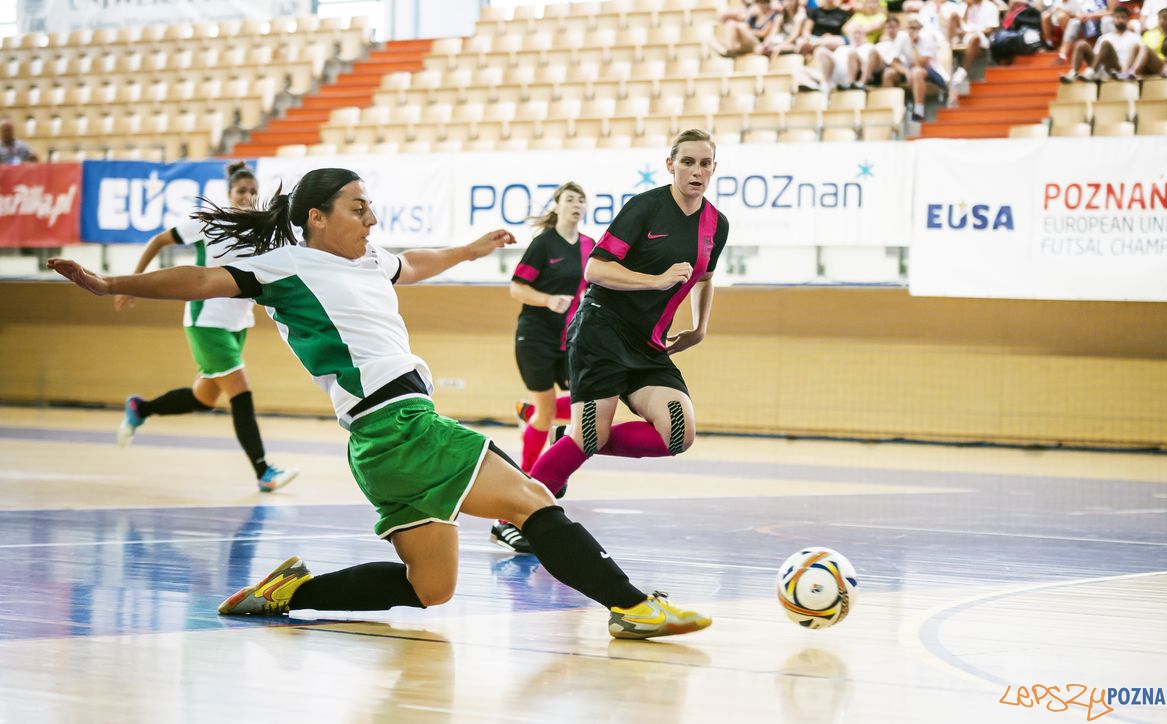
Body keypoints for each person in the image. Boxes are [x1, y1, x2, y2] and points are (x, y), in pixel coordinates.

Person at [47, 167, 712, 640]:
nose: (371, 217)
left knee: (432, 588)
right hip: (399, 426)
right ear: (317, 218)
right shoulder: (287, 267)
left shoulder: (368, 261)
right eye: (358, 206)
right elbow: (199, 276)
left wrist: (471, 249)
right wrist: (110, 283)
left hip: (382, 446)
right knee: (532, 501)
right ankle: (633, 607)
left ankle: (290, 594)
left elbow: (415, 263)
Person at [521, 130, 729, 507]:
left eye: (704, 164)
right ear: (670, 165)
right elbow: (595, 270)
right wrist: (656, 281)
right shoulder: (644, 208)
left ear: (714, 168)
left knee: (678, 435)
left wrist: (699, 329)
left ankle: (570, 442)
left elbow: (706, 277)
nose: (696, 171)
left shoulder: (717, 224)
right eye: (687, 162)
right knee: (589, 436)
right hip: (601, 332)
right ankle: (510, 518)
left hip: (647, 346)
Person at [113, 161, 295, 492]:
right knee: (241, 391)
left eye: (253, 191)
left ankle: (141, 408)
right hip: (206, 321)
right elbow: (158, 241)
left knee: (204, 398)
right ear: (229, 194)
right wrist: (133, 282)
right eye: (242, 190)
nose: (248, 196)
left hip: (238, 323)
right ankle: (263, 471)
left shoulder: (259, 230)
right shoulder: (209, 223)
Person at [509, 182, 593, 480]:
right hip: (535, 336)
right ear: (557, 206)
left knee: (585, 408)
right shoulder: (543, 244)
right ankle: (530, 476)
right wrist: (547, 300)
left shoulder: (588, 246)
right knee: (547, 413)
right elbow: (517, 288)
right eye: (570, 199)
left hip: (569, 338)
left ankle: (528, 413)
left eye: (581, 200)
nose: (576, 204)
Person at [1060, 4, 1142, 80]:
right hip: (1101, 68)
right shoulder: (1104, 37)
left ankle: (1091, 72)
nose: (1120, 20)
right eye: (1117, 17)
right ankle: (1074, 73)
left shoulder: (1135, 37)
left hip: (1120, 69)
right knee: (1081, 44)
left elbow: (1139, 57)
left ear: (1128, 19)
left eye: (1123, 17)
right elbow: (1096, 56)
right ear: (1113, 19)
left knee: (1106, 44)